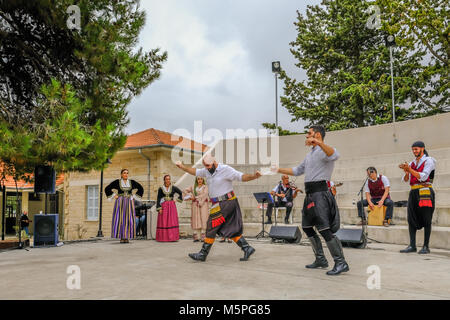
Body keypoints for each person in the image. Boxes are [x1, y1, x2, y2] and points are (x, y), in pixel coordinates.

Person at [274, 125, 349, 276]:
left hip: (321, 193)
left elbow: (335, 155)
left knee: (324, 229)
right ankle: (321, 259)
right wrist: (278, 169)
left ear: (318, 135)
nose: (306, 136)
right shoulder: (310, 155)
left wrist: (318, 143)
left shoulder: (325, 150)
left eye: (309, 133)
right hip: (310, 194)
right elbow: (297, 171)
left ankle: (341, 262)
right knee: (307, 227)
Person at [176, 153, 261, 261]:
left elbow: (242, 177)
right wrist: (182, 166)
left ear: (214, 163)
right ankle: (246, 248)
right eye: (205, 166)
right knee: (228, 227)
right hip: (220, 203)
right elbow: (195, 172)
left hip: (226, 202)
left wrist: (254, 176)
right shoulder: (207, 171)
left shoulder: (225, 169)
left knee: (211, 225)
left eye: (208, 165)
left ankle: (203, 254)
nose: (206, 168)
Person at [399, 141, 436, 254]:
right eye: (413, 149)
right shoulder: (412, 163)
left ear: (422, 148)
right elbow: (406, 180)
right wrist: (406, 172)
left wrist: (410, 170)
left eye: (416, 149)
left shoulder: (429, 160)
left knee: (426, 219)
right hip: (413, 192)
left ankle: (426, 246)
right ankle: (412, 245)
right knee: (411, 218)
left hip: (424, 190)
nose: (415, 151)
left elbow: (424, 176)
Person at [105, 169, 144, 243]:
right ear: (121, 174)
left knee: (129, 219)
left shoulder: (131, 182)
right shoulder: (117, 182)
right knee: (120, 218)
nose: (126, 174)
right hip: (120, 202)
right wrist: (114, 195)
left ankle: (127, 237)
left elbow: (141, 188)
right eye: (124, 173)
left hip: (129, 201)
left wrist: (134, 196)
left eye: (127, 173)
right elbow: (107, 188)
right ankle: (121, 237)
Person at [156, 175, 183, 242]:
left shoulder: (173, 188)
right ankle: (163, 237)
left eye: (169, 179)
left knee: (171, 221)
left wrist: (176, 200)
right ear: (164, 180)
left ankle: (172, 237)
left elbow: (181, 193)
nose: (168, 180)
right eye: (166, 179)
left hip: (171, 206)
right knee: (164, 221)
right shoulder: (161, 188)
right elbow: (158, 198)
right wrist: (159, 208)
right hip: (164, 206)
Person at [183, 177, 210, 242]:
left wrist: (197, 198)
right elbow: (184, 191)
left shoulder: (205, 187)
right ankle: (196, 235)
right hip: (195, 205)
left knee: (203, 218)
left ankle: (203, 234)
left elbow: (205, 195)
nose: (200, 180)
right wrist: (190, 196)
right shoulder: (193, 187)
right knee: (196, 219)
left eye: (201, 179)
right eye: (198, 179)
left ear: (203, 180)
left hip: (203, 204)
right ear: (196, 180)